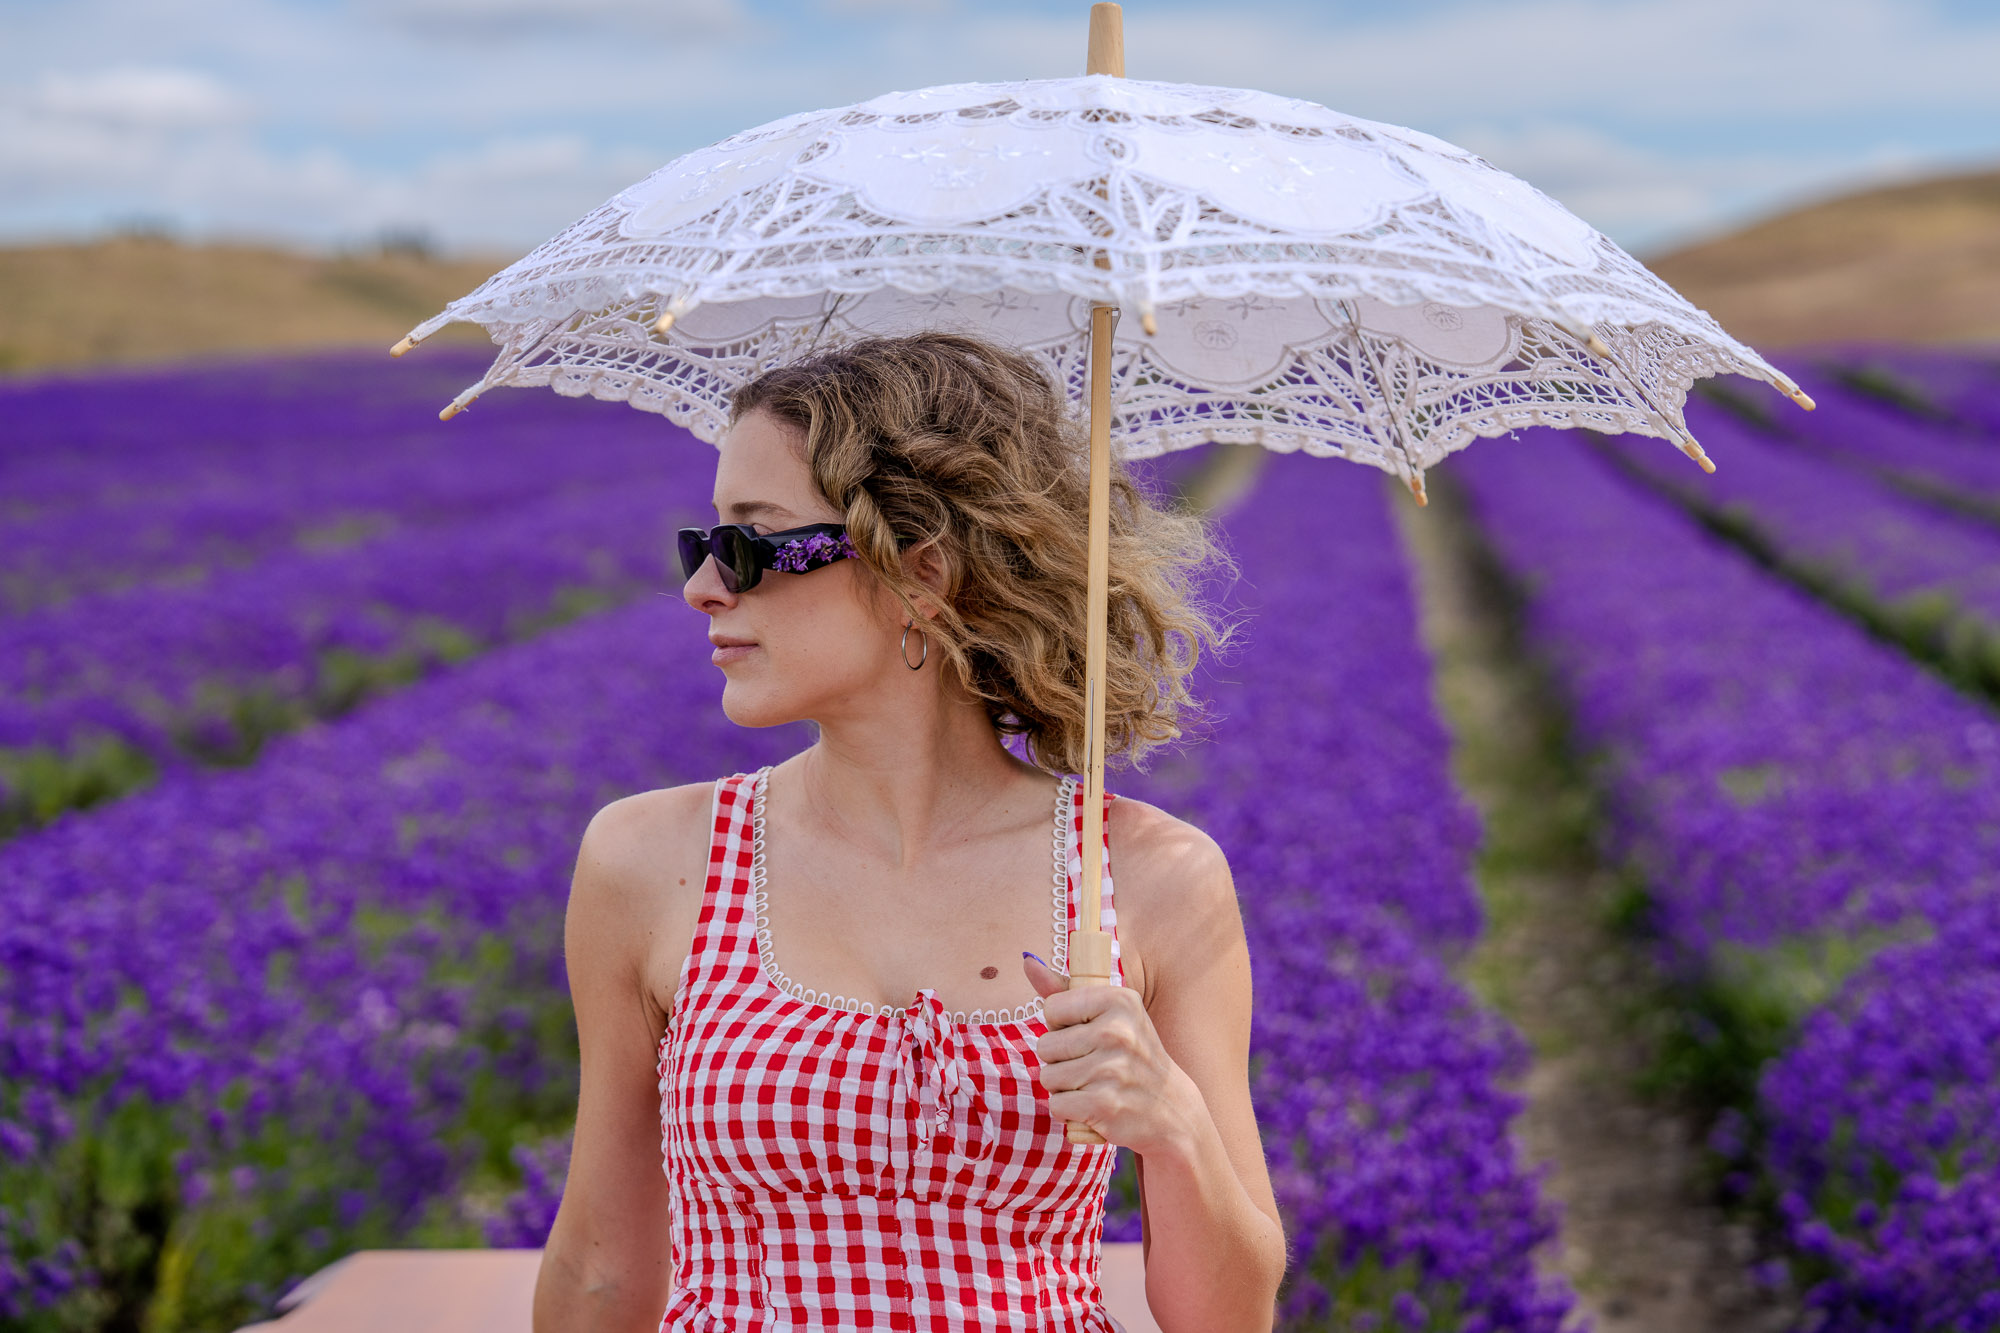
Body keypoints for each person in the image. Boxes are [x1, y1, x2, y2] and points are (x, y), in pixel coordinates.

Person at [535, 332, 1285, 1332]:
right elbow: (599, 1269)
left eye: (751, 544)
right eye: (702, 543)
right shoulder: (650, 861)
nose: (703, 585)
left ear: (920, 572)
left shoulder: (1151, 877)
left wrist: (1172, 1123)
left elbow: (1228, 1318)